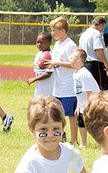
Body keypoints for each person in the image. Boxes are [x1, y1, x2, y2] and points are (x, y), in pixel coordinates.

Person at [48, 17, 79, 145]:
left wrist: (57, 63)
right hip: (58, 85)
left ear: (62, 31)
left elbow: (74, 64)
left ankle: (74, 140)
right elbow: (55, 61)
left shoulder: (70, 44)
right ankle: (60, 136)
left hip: (69, 86)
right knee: (57, 113)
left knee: (71, 114)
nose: (53, 33)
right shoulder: (57, 44)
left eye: (55, 30)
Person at [70, 48, 100, 147]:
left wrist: (88, 107)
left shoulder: (84, 74)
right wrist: (78, 106)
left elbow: (89, 93)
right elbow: (80, 93)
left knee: (95, 125)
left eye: (71, 58)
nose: (69, 60)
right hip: (83, 104)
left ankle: (104, 143)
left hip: (92, 103)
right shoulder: (76, 73)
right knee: (81, 123)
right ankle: (84, 144)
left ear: (78, 59)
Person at [79, 16, 108, 91]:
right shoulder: (96, 33)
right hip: (95, 66)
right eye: (104, 27)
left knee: (90, 90)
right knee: (101, 90)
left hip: (85, 64)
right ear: (101, 25)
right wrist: (106, 64)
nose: (103, 30)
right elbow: (98, 49)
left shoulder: (84, 33)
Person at [27, 32, 54, 96]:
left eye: (42, 42)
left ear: (49, 43)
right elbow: (36, 70)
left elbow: (48, 73)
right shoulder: (38, 55)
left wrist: (34, 79)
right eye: (37, 42)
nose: (39, 44)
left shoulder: (51, 55)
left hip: (49, 89)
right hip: (39, 89)